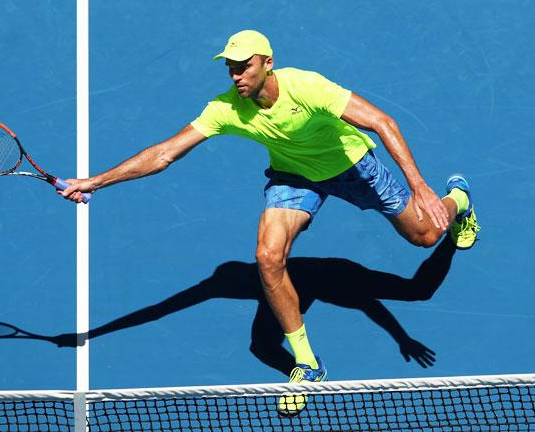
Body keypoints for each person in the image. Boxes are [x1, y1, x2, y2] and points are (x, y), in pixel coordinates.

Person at [60, 30, 480, 415]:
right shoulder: (226, 108)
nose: (236, 74)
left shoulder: (307, 86)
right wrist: (96, 181)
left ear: (267, 63)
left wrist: (421, 187)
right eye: (230, 66)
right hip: (293, 177)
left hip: (352, 166)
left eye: (243, 66)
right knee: (267, 257)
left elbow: (382, 122)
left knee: (425, 239)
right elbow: (165, 153)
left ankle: (458, 198)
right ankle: (308, 364)